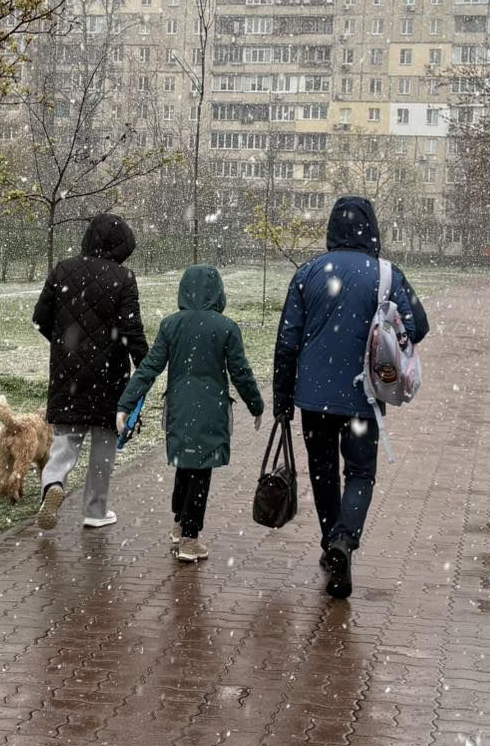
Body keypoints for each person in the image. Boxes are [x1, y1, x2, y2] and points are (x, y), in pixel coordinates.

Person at [272, 195, 429, 600]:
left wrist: (282, 398)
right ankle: (345, 540)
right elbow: (419, 326)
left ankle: (331, 543)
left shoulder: (308, 272)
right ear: (372, 229)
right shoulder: (387, 274)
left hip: (313, 398)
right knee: (359, 473)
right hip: (364, 396)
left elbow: (287, 341)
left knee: (322, 472)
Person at [115, 264, 265, 564]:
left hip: (179, 407)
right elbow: (241, 372)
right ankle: (190, 539)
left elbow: (149, 368)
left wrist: (125, 404)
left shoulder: (171, 325)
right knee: (201, 472)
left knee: (185, 465)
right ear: (218, 292)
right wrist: (256, 405)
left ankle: (179, 523)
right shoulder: (225, 328)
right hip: (211, 409)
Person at [32, 212, 149, 532]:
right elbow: (131, 329)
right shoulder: (123, 278)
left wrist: (64, 346)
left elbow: (40, 317)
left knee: (66, 440)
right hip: (110, 376)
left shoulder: (62, 269)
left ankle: (53, 483)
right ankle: (95, 511)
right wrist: (145, 364)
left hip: (67, 373)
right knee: (104, 445)